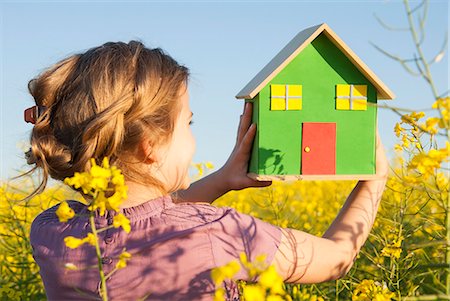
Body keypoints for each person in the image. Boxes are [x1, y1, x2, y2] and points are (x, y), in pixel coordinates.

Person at [27, 41, 389, 301]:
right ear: (149, 145)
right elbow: (336, 258)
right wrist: (373, 181)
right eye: (189, 123)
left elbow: (142, 220)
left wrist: (222, 180)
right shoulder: (222, 233)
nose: (193, 136)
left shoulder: (50, 231)